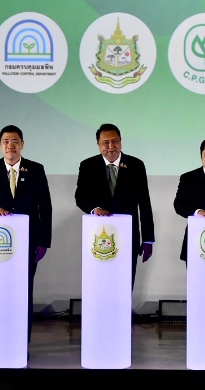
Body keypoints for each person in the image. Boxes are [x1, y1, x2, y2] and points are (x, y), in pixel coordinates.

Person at [0, 125, 52, 344]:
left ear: (22, 144)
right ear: (0, 145)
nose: (11, 145)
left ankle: (21, 342)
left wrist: (44, 241)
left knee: (23, 291)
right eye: (6, 141)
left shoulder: (36, 169)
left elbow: (45, 207)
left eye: (15, 141)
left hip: (29, 243)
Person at [75, 123, 154, 287]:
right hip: (99, 237)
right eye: (105, 142)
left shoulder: (136, 165)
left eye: (115, 141)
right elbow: (80, 197)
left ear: (121, 141)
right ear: (98, 144)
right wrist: (95, 209)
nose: (111, 146)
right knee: (100, 283)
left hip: (128, 237)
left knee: (124, 283)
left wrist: (148, 239)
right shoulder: (88, 166)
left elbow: (145, 203)